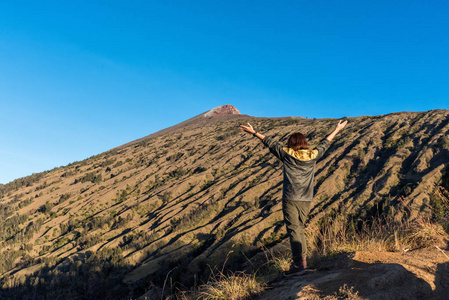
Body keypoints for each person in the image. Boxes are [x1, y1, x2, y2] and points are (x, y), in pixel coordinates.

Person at [239, 119, 347, 275]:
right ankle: (303, 262)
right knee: (299, 230)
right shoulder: (313, 155)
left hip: (290, 198)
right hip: (306, 199)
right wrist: (337, 129)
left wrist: (254, 133)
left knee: (294, 231)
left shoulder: (287, 154)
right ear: (304, 143)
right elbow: (325, 143)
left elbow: (270, 143)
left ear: (291, 143)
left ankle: (298, 265)